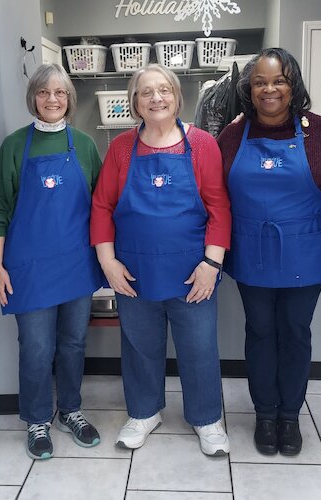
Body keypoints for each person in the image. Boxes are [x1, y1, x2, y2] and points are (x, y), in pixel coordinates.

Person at [90, 63, 231, 456]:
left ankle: (207, 419)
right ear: (135, 102)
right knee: (139, 346)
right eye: (146, 91)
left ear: (176, 97)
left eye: (164, 90)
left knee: (199, 347)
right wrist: (108, 263)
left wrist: (212, 265)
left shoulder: (201, 144)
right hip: (133, 272)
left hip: (193, 272)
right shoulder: (121, 147)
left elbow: (219, 207)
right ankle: (143, 412)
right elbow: (102, 207)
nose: (156, 98)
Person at [217, 48, 321, 456]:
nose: (269, 89)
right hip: (251, 252)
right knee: (260, 331)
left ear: (293, 86)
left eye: (279, 81)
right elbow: (214, 196)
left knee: (295, 332)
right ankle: (264, 415)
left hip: (305, 252)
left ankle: (290, 416)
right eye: (260, 82)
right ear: (249, 90)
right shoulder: (233, 136)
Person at [0, 63, 102, 460]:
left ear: (69, 99)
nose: (53, 99)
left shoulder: (83, 145)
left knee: (73, 343)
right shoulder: (15, 145)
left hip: (76, 263)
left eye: (61, 93)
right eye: (44, 92)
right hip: (28, 265)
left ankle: (70, 410)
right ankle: (37, 419)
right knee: (36, 347)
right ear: (32, 97)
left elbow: (101, 206)